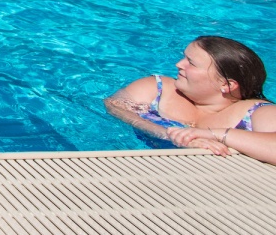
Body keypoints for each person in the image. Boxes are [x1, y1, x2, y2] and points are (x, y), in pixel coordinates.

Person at [104, 36, 275, 164]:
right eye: (184, 57)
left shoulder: (257, 112)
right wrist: (170, 135)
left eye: (191, 63)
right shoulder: (157, 89)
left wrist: (216, 135)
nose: (179, 64)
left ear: (226, 85)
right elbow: (114, 107)